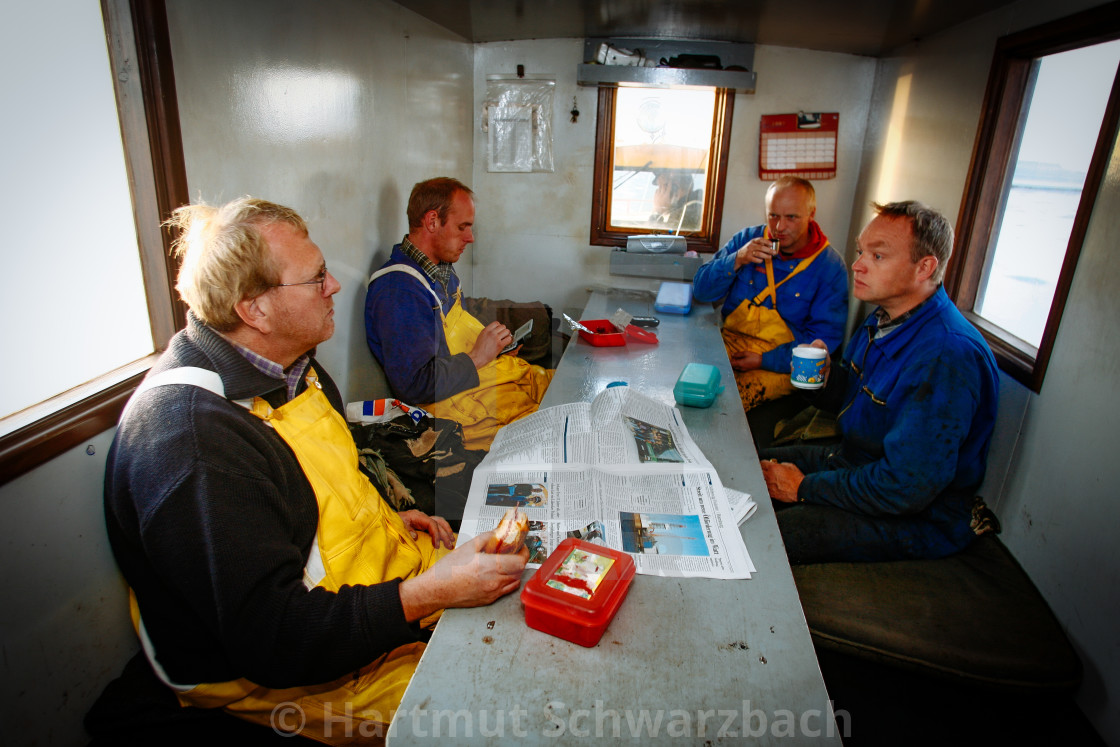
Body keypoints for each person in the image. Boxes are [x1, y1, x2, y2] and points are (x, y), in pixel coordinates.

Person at [103, 197, 528, 743]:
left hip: (371, 582)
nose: (336, 286)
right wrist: (430, 594)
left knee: (524, 593)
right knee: (501, 706)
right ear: (254, 309)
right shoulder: (193, 444)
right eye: (316, 278)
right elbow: (274, 637)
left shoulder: (292, 367)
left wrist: (394, 513)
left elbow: (333, 478)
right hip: (283, 666)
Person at [760, 200, 999, 564]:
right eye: (860, 251)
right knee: (747, 468)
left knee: (767, 539)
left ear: (925, 267)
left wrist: (803, 488)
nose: (857, 265)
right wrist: (825, 379)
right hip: (855, 464)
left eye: (878, 256)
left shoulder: (945, 356)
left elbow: (905, 488)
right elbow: (858, 402)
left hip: (915, 514)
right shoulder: (883, 319)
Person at [365, 177, 552, 450]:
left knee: (556, 388)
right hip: (454, 408)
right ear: (432, 222)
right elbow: (414, 385)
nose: (470, 238)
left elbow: (452, 338)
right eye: (462, 227)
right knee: (550, 426)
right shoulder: (400, 290)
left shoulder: (440, 271)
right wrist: (478, 356)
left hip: (476, 383)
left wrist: (495, 349)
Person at [692, 176, 848, 411]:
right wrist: (737, 259)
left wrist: (763, 360)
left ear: (811, 214)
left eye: (791, 217)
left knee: (727, 404)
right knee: (692, 382)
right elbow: (701, 291)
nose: (779, 227)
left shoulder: (830, 267)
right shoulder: (747, 240)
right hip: (731, 343)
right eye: (773, 215)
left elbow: (822, 344)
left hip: (783, 362)